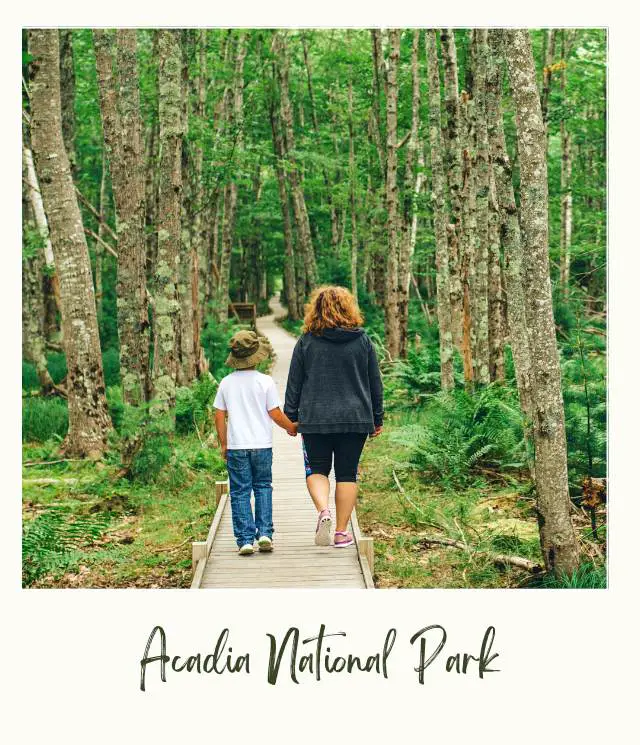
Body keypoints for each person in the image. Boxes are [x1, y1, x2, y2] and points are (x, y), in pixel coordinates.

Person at [284, 286, 384, 548]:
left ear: (314, 309)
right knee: (347, 474)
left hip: (315, 418)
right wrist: (377, 417)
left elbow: (294, 382)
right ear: (349, 308)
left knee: (317, 468)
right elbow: (375, 381)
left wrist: (291, 417)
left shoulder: (306, 341)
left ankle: (323, 512)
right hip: (355, 418)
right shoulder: (362, 341)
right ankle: (341, 532)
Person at [214, 330, 297, 555]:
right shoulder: (265, 382)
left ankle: (245, 540)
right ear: (256, 355)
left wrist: (224, 443)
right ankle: (265, 534)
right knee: (262, 487)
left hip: (237, 446)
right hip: (262, 445)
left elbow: (219, 415)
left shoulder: (226, 383)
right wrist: (291, 427)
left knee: (240, 491)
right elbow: (275, 413)